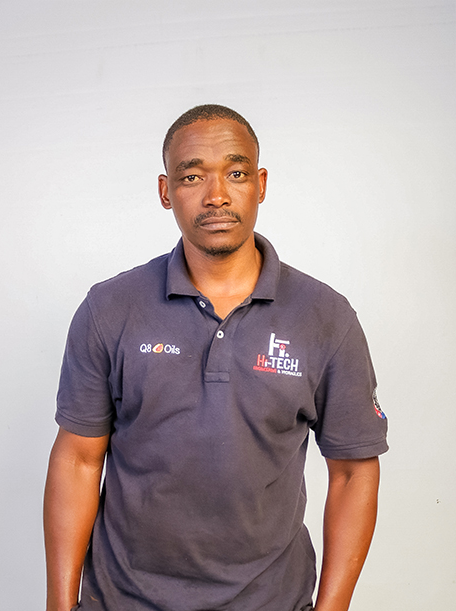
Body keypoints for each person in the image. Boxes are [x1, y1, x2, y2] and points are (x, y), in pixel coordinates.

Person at [44, 104, 388, 611]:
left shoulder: (325, 318)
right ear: (166, 191)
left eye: (236, 173)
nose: (217, 195)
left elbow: (354, 472)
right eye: (192, 176)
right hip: (124, 599)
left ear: (260, 184)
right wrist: (59, 605)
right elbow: (77, 460)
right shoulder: (110, 309)